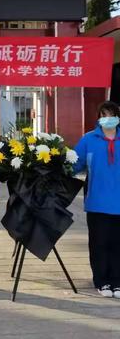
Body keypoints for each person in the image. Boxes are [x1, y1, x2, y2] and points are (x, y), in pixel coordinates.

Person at [74, 101, 120, 298]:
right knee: (99, 243)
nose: (108, 118)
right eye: (104, 114)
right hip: (97, 202)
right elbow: (74, 164)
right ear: (99, 117)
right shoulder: (88, 140)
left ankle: (117, 281)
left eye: (112, 114)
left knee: (118, 244)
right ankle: (102, 281)